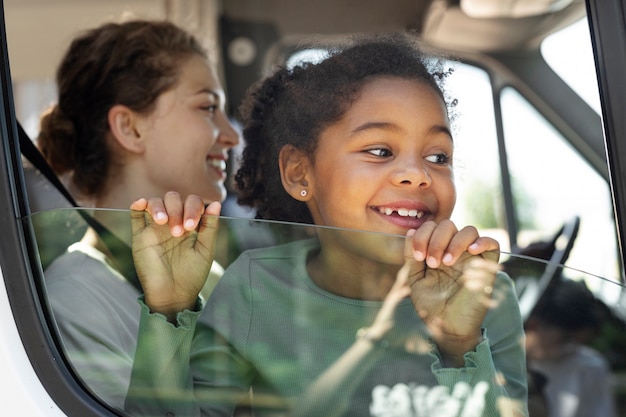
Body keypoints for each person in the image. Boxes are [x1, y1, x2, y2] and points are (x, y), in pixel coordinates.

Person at [126, 33, 527, 417]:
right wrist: (169, 309)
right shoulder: (253, 287)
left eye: (438, 157)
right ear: (300, 174)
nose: (417, 175)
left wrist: (460, 344)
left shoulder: (484, 293)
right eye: (379, 150)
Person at [37, 19, 239, 411]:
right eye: (208, 107)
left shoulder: (209, 276)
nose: (231, 134)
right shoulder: (70, 304)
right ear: (130, 128)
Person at [525, 277, 616, 417]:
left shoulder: (588, 366)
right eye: (565, 339)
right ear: (534, 325)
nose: (572, 348)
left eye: (578, 342)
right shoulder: (493, 357)